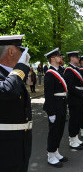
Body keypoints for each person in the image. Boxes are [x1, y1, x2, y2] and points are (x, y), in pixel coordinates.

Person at [0, 35, 32, 172]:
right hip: (4, 151)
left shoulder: (11, 75)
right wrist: (20, 68)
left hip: (19, 145)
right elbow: (7, 91)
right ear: (11, 52)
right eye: (20, 50)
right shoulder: (14, 75)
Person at [43, 48, 68, 168]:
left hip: (62, 103)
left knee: (60, 129)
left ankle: (56, 151)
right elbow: (48, 96)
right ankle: (50, 155)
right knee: (54, 131)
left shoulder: (61, 71)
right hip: (55, 105)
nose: (61, 58)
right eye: (59, 56)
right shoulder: (49, 74)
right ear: (53, 58)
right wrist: (51, 112)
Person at [63, 51, 83, 150]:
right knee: (73, 119)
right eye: (77, 57)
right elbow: (70, 88)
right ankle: (72, 140)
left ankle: (76, 138)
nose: (79, 59)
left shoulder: (76, 69)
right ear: (72, 59)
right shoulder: (69, 71)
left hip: (79, 97)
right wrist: (82, 93)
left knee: (78, 118)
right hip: (74, 98)